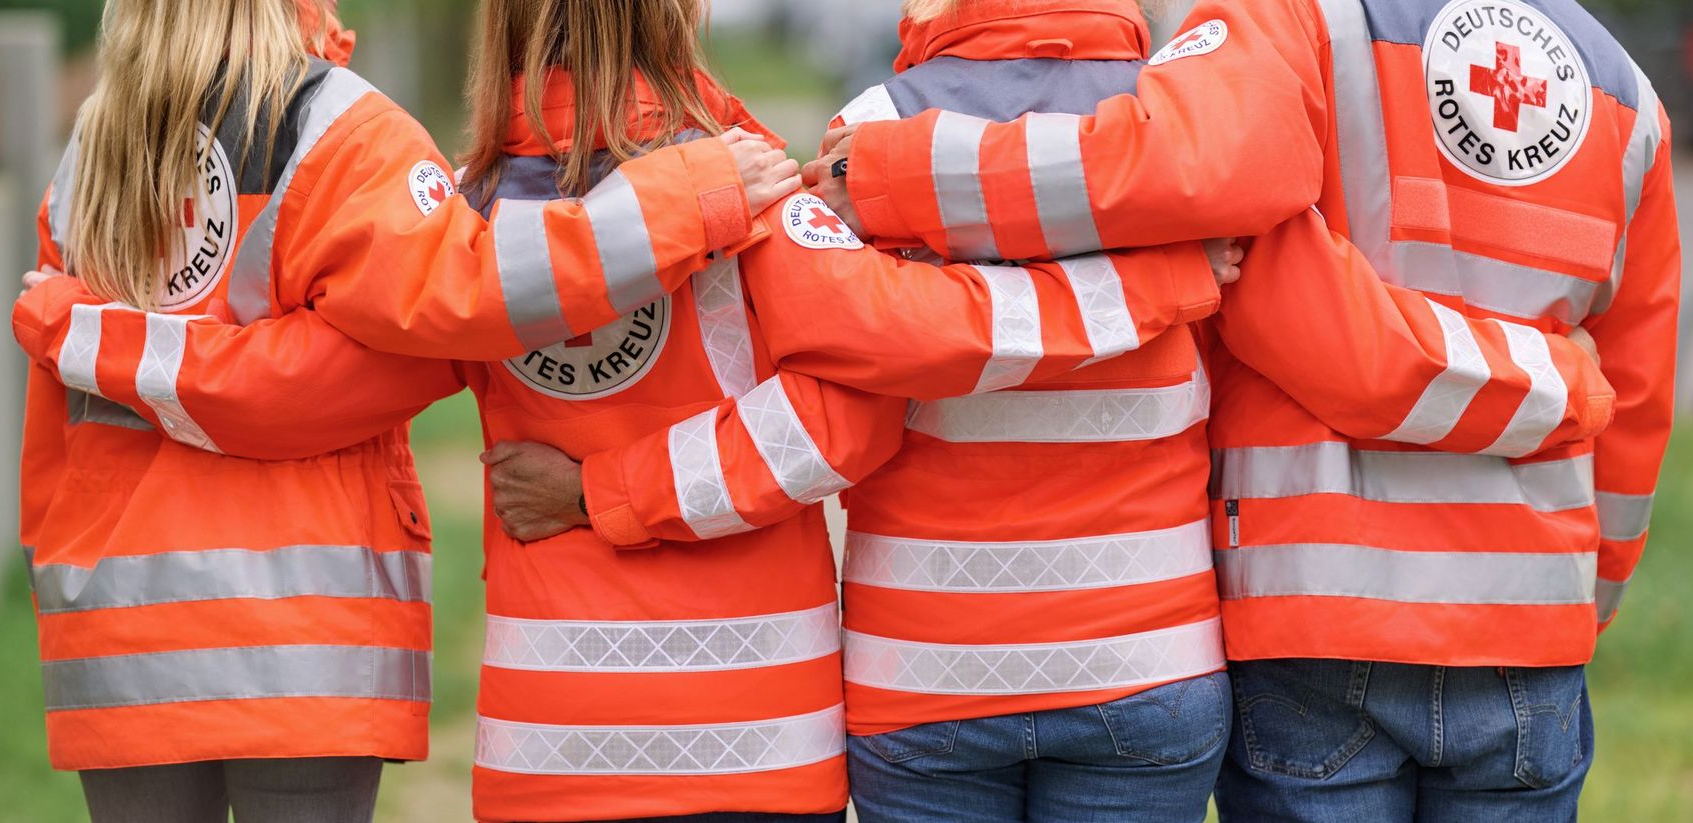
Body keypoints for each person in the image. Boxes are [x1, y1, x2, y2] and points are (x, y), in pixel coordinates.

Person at [14, 0, 1229, 819]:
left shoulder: (467, 202)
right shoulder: (749, 175)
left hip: (549, 720)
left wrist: (102, 341)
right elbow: (846, 425)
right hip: (762, 717)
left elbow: (348, 369)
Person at [484, 0, 1620, 821]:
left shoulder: (861, 130)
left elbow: (858, 363)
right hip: (1148, 657)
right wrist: (1160, 288)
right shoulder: (1186, 126)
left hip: (924, 675)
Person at [807, 0, 1679, 819]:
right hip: (1531, 629)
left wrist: (887, 170)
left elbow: (1235, 245)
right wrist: (1588, 574)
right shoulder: (1626, 88)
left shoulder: (1293, 16)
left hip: (1321, 611)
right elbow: (1640, 389)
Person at [8, 0, 799, 819]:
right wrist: (685, 198)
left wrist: (87, 347)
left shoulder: (89, 153)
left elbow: (53, 445)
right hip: (309, 629)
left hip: (114, 628)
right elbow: (465, 303)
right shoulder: (337, 127)